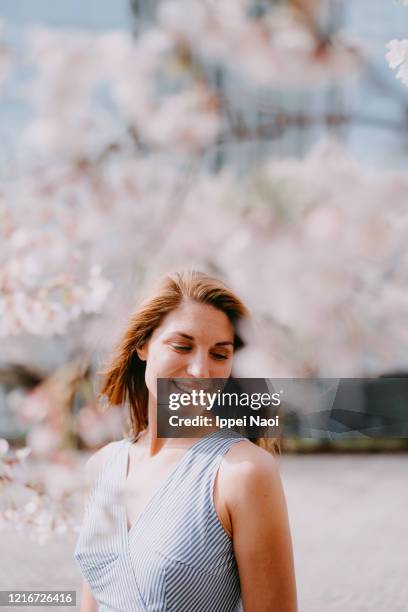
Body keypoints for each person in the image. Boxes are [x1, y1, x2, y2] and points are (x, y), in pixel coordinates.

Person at [74, 270, 297, 611]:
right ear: (142, 344)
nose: (200, 371)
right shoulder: (102, 466)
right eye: (182, 346)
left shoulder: (243, 473)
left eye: (219, 354)